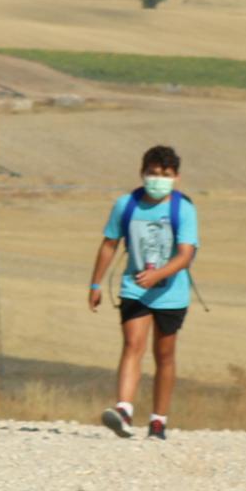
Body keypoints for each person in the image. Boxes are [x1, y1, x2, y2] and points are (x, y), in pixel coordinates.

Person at [90, 144, 197, 439]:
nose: (157, 178)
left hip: (171, 292)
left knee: (164, 354)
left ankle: (158, 420)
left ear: (176, 177)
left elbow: (186, 254)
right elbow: (109, 244)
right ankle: (124, 410)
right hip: (134, 288)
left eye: (165, 174)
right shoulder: (126, 205)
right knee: (132, 345)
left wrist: (158, 275)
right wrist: (96, 283)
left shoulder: (183, 209)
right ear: (142, 173)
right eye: (152, 172)